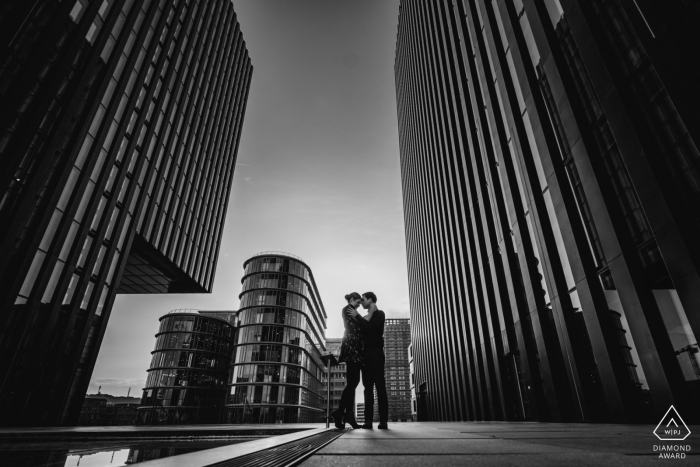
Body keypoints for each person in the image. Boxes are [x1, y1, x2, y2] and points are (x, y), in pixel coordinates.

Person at [347, 291, 388, 429]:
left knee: (380, 387)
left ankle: (383, 420)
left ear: (370, 300)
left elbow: (370, 328)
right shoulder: (365, 317)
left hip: (376, 354)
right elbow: (362, 329)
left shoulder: (380, 314)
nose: (361, 302)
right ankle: (368, 421)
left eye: (363, 299)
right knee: (367, 388)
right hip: (365, 356)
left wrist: (358, 317)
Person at [327, 292, 364, 429]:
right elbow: (357, 328)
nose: (359, 305)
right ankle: (344, 413)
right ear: (352, 299)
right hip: (352, 349)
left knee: (352, 383)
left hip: (354, 349)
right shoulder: (348, 309)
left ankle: (345, 414)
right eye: (358, 302)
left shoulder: (351, 310)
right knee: (353, 382)